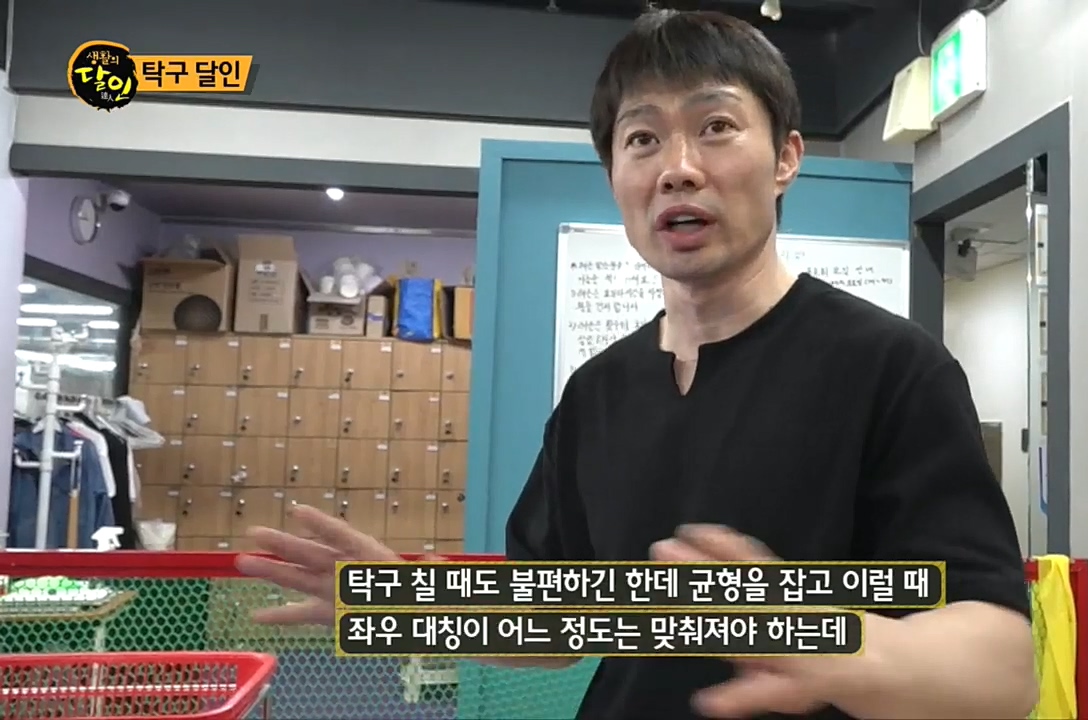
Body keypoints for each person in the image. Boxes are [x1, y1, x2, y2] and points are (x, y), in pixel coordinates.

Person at [237, 8, 1038, 720]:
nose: (677, 166)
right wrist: (421, 604)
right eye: (643, 138)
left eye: (716, 126)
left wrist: (827, 642)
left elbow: (1004, 670)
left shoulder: (892, 368)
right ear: (615, 175)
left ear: (786, 158)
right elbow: (561, 620)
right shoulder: (599, 392)